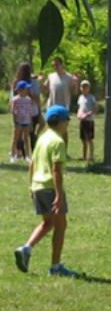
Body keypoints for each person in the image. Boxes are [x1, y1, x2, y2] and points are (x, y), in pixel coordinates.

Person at [13, 105, 82, 277]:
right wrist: (59, 195)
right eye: (67, 120)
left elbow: (32, 164)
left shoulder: (42, 138)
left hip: (38, 186)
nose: (67, 124)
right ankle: (55, 267)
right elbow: (56, 170)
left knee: (48, 222)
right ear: (60, 122)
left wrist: (31, 186)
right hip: (50, 188)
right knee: (60, 225)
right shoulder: (57, 141)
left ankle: (26, 248)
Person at [43, 57, 78, 154]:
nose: (55, 67)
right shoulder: (50, 76)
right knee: (50, 130)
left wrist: (75, 83)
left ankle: (63, 151)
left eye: (56, 65)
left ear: (62, 65)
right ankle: (51, 150)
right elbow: (46, 90)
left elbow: (74, 93)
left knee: (63, 131)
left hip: (63, 108)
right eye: (53, 65)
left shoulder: (69, 77)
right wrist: (41, 82)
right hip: (51, 107)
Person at [12, 63, 43, 147]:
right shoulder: (17, 82)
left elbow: (37, 98)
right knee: (22, 133)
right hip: (26, 111)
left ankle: (27, 151)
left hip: (30, 111)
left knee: (27, 133)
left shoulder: (32, 81)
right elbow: (14, 98)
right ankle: (22, 152)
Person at [11, 81, 35, 163]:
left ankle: (28, 156)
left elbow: (30, 112)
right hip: (18, 122)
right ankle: (13, 155)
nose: (27, 90)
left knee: (26, 139)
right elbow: (13, 111)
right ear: (21, 90)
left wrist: (31, 123)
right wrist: (15, 122)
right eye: (26, 88)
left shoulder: (28, 100)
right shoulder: (15, 99)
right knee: (16, 138)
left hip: (26, 121)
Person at [76, 81, 98, 161]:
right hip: (82, 120)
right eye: (82, 87)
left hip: (89, 120)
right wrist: (79, 114)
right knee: (83, 139)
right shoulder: (80, 97)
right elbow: (79, 108)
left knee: (89, 139)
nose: (84, 88)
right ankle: (84, 156)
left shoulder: (91, 97)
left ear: (89, 88)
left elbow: (95, 109)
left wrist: (88, 114)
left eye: (86, 87)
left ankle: (91, 156)